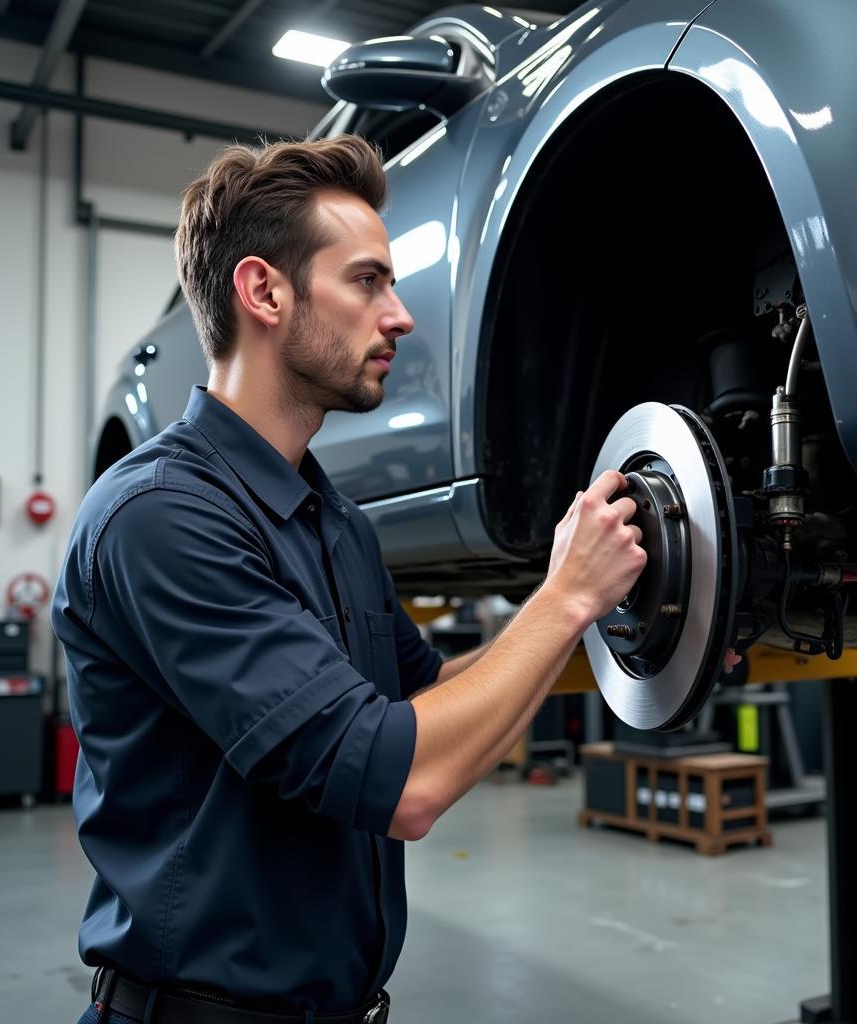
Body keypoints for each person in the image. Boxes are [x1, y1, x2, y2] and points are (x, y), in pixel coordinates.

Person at [52, 135, 647, 1024]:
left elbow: (436, 697)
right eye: (368, 281)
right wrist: (565, 597)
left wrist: (610, 621)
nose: (401, 315)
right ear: (264, 292)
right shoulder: (161, 516)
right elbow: (408, 784)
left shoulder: (334, 523)